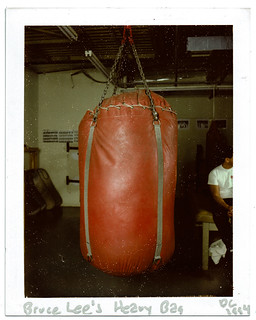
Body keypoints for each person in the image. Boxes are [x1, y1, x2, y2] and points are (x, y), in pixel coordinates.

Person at [208, 145, 233, 252]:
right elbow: (216, 195)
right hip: (222, 201)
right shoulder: (214, 173)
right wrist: (228, 207)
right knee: (220, 217)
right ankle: (232, 247)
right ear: (227, 159)